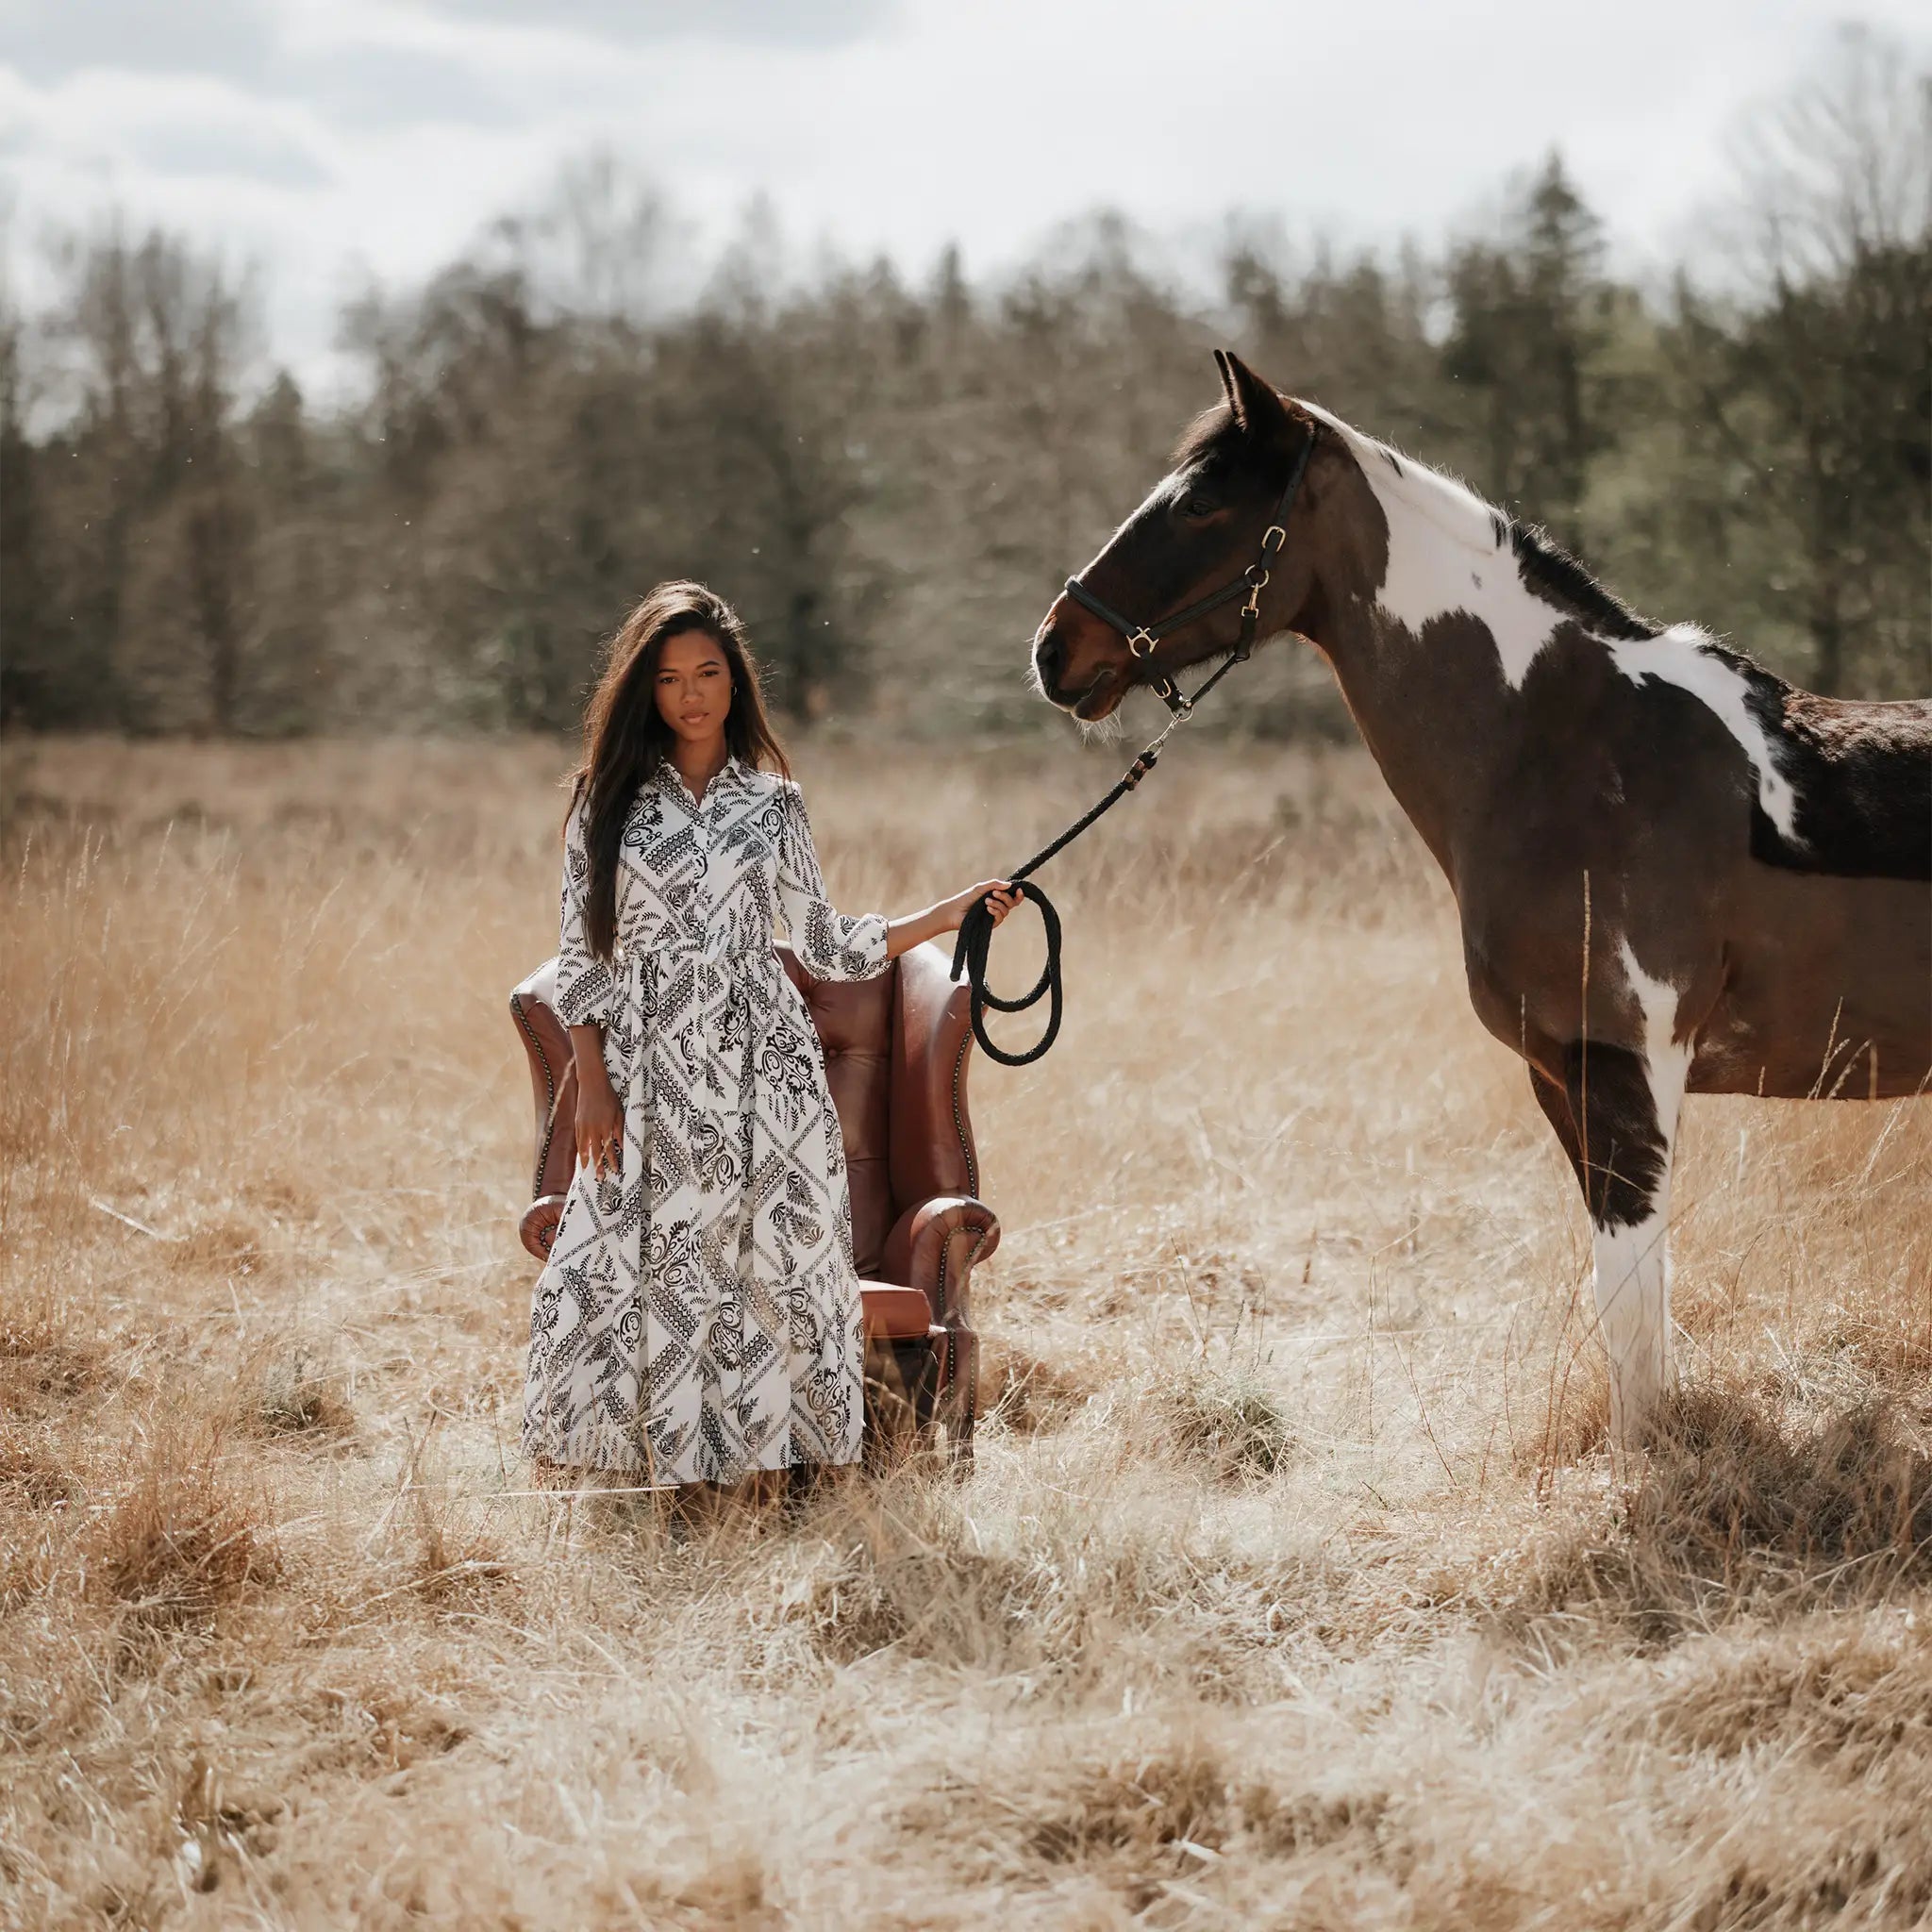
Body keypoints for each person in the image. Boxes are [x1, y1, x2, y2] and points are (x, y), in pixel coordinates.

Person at [523, 581, 1017, 1491]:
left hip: (766, 1069)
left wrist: (946, 914)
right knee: (639, 1257)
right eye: (670, 678)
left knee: (767, 1263)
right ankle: (644, 1474)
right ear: (647, 689)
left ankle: (755, 1479)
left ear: (735, 682)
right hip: (651, 1061)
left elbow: (825, 943)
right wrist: (592, 1078)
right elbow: (581, 948)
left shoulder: (774, 803)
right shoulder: (607, 801)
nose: (692, 694)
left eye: (708, 672)